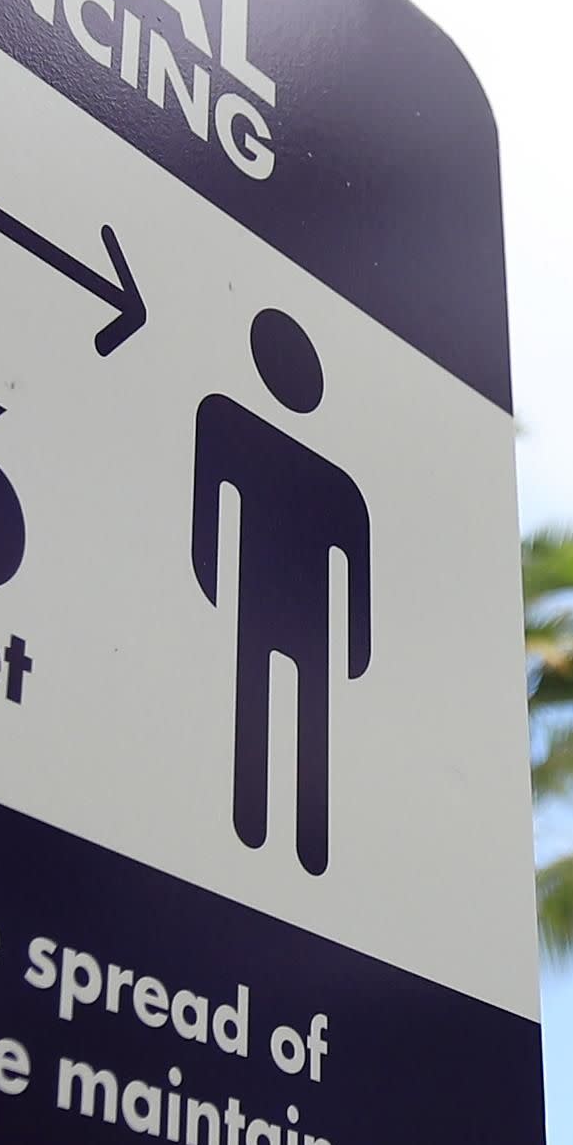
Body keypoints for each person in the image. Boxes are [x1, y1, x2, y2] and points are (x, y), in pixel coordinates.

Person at [190, 308, 371, 873]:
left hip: (299, 617)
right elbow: (207, 510)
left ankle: (307, 841)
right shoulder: (226, 422)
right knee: (258, 705)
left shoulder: (338, 484)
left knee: (307, 723)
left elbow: (356, 572)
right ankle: (251, 819)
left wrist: (356, 650)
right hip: (260, 602)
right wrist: (211, 576)